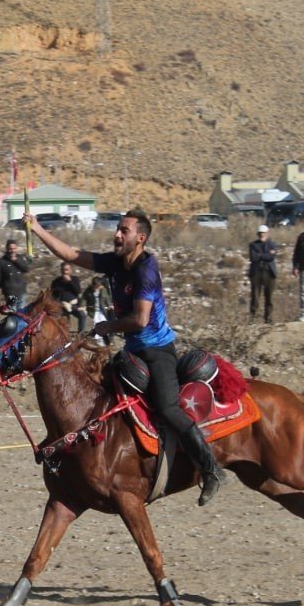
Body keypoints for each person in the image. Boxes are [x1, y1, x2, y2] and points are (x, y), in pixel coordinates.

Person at [22, 209, 227, 506]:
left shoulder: (146, 270)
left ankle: (211, 470)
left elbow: (141, 319)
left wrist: (109, 326)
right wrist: (37, 228)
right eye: (118, 229)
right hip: (132, 350)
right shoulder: (115, 263)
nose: (117, 234)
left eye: (124, 231)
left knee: (169, 408)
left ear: (140, 238)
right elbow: (70, 253)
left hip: (157, 351)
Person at [247, 224, 279, 324]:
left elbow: (271, 257)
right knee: (255, 296)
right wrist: (265, 255)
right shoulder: (253, 245)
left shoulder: (272, 244)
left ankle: (268, 318)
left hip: (269, 272)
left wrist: (260, 255)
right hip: (256, 272)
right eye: (260, 233)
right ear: (257, 234)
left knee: (269, 296)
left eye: (263, 233)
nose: (262, 235)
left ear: (267, 233)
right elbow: (253, 258)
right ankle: (253, 317)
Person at [0, 239, 32, 306]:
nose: (12, 251)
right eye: (10, 249)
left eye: (14, 248)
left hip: (21, 291)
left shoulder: (20, 258)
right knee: (13, 312)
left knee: (21, 313)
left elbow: (26, 269)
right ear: (7, 249)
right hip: (10, 293)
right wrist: (5, 286)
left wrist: (16, 260)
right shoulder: (1, 261)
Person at [49, 262, 86, 333]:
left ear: (70, 270)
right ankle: (64, 336)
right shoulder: (56, 282)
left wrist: (70, 281)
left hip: (73, 304)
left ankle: (81, 335)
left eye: (67, 270)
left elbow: (78, 291)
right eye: (63, 270)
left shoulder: (75, 279)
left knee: (82, 315)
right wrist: (59, 303)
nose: (65, 272)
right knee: (64, 322)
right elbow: (53, 295)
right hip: (61, 305)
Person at [82, 276, 113, 345]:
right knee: (96, 322)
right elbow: (84, 298)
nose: (97, 287)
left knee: (104, 322)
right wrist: (83, 306)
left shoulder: (103, 289)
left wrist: (109, 305)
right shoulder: (89, 290)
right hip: (93, 310)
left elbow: (107, 298)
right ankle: (99, 341)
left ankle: (106, 339)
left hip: (102, 310)